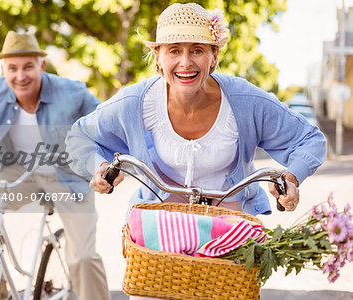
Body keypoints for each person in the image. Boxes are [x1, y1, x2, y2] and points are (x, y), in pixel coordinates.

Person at [66, 2, 327, 218]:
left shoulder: (246, 101)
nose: (186, 62)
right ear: (158, 57)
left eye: (198, 50)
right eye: (174, 50)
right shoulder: (134, 103)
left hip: (230, 227)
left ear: (214, 56)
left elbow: (310, 139)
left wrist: (291, 178)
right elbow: (79, 136)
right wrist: (98, 167)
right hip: (160, 224)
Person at [0, 31, 110, 300]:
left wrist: (103, 163)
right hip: (17, 170)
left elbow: (109, 122)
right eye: (12, 68)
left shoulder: (72, 92)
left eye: (28, 66)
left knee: (82, 258)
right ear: (3, 69)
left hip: (67, 176)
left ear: (42, 66)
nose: (20, 76)